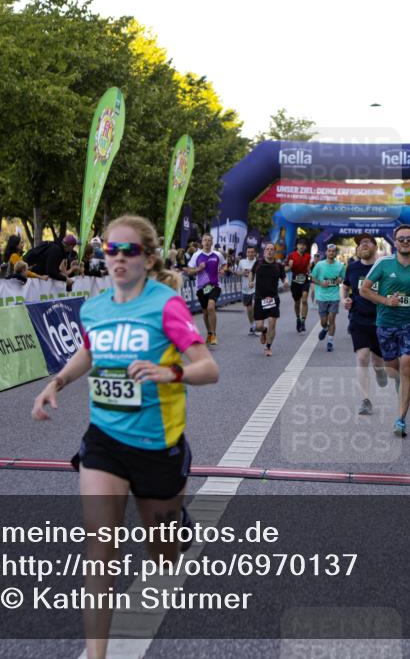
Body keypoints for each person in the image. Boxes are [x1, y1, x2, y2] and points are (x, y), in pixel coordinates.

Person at [32, 214, 218, 659]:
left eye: (128, 250)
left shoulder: (166, 305)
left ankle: (175, 520)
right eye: (109, 250)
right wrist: (56, 383)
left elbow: (208, 368)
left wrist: (168, 372)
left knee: (162, 555)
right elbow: (89, 351)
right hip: (105, 440)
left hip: (157, 445)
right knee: (102, 546)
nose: (116, 258)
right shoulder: (94, 307)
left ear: (149, 258)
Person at [359, 223, 410, 437]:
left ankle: (401, 419)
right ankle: (395, 380)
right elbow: (364, 290)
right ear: (395, 242)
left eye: (409, 238)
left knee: (407, 364)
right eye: (401, 238)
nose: (405, 242)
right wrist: (385, 300)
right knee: (393, 367)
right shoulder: (383, 264)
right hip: (386, 324)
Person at [341, 233, 388, 415]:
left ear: (375, 247)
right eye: (360, 244)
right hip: (358, 317)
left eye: (367, 242)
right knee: (362, 358)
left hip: (380, 319)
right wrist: (344, 300)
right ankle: (365, 400)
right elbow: (345, 287)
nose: (362, 245)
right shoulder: (352, 267)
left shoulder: (384, 267)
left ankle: (380, 370)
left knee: (378, 361)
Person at [185, 233, 226, 346]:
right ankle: (209, 332)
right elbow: (189, 271)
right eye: (205, 240)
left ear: (212, 242)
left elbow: (225, 265)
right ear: (202, 242)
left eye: (209, 240)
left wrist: (223, 270)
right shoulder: (196, 255)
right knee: (205, 312)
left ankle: (213, 334)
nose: (207, 242)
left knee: (211, 307)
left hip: (215, 285)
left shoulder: (217, 254)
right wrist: (199, 268)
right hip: (201, 288)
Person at [251, 242, 287, 356]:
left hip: (273, 298)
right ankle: (264, 331)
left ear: (275, 252)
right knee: (259, 326)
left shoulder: (278, 266)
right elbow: (252, 273)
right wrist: (251, 281)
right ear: (264, 251)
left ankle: (268, 347)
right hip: (259, 298)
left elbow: (283, 277)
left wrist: (285, 282)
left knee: (272, 322)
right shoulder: (258, 263)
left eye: (272, 249)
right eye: (267, 249)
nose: (269, 251)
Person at [310, 243, 346, 352]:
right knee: (323, 321)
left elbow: (343, 279)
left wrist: (340, 280)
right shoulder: (320, 265)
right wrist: (321, 283)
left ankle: (330, 341)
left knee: (332, 319)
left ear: (336, 253)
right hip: (321, 296)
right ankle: (325, 328)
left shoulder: (340, 266)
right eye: (329, 251)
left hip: (334, 296)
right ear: (326, 252)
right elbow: (312, 277)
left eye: (333, 251)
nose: (331, 253)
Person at [286, 238, 312, 333]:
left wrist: (309, 280)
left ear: (306, 247)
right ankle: (298, 318)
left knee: (304, 300)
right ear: (297, 246)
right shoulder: (291, 256)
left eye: (304, 245)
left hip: (305, 280)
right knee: (297, 303)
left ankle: (303, 321)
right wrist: (289, 266)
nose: (302, 246)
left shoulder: (308, 256)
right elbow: (285, 269)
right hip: (295, 281)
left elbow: (309, 270)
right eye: (300, 244)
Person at [237, 246, 259, 336]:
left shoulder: (258, 262)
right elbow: (237, 273)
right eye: (248, 252)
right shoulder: (242, 262)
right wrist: (243, 272)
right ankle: (252, 325)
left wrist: (253, 272)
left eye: (252, 252)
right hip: (246, 289)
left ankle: (258, 325)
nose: (250, 254)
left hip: (256, 288)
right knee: (249, 309)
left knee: (254, 305)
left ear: (255, 253)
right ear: (246, 253)